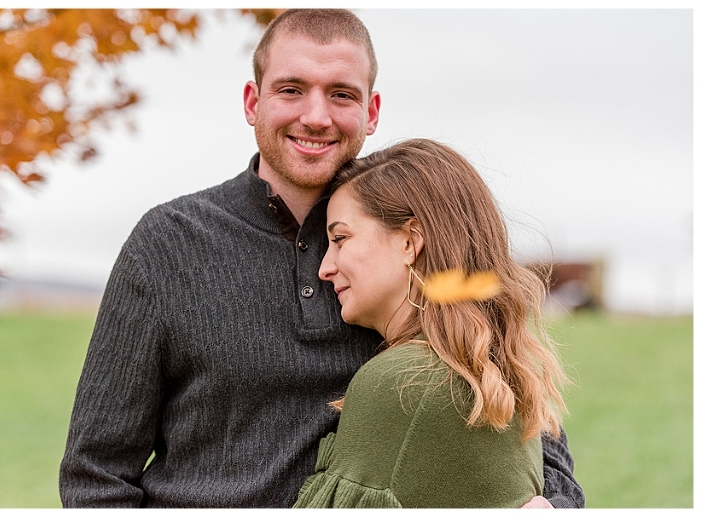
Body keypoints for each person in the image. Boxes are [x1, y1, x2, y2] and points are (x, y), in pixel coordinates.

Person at [59, 9, 584, 508]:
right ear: (252, 102)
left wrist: (554, 506)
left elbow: (526, 424)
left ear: (371, 111)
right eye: (291, 90)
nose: (316, 116)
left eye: (341, 94)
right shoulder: (168, 243)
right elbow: (96, 474)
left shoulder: (414, 247)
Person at [293, 138, 569, 508]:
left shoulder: (400, 384)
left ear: (409, 241)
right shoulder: (497, 375)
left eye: (341, 238)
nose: (325, 268)